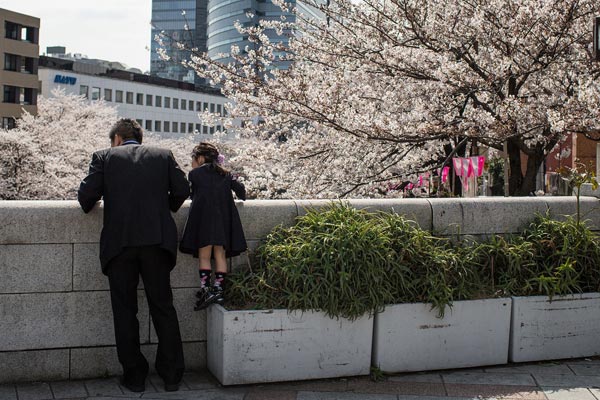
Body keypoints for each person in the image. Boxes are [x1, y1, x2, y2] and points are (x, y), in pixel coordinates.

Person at [77, 119, 189, 393]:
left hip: (120, 244)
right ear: (139, 137)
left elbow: (85, 199)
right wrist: (164, 207)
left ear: (116, 138)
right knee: (163, 307)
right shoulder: (163, 155)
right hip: (157, 241)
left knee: (125, 311)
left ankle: (135, 376)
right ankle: (172, 375)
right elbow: (183, 191)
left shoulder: (104, 157)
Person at [179, 142, 247, 310]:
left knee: (204, 256)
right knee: (220, 255)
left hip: (204, 221)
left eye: (193, 159)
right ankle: (218, 288)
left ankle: (205, 289)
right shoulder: (226, 174)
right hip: (223, 222)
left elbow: (194, 195)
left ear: (201, 158)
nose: (192, 163)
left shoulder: (195, 174)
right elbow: (242, 193)